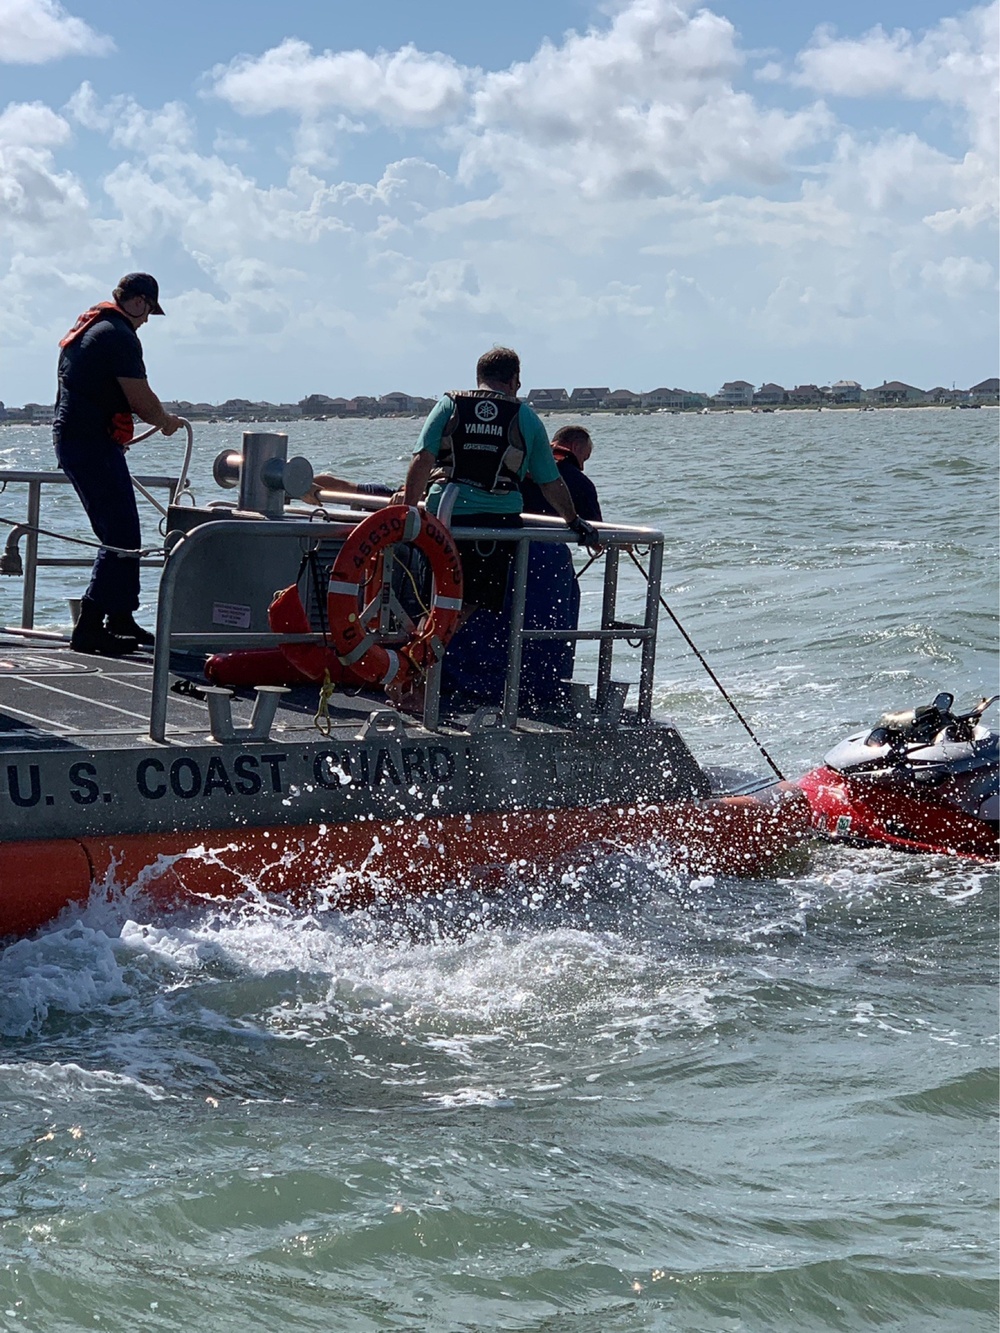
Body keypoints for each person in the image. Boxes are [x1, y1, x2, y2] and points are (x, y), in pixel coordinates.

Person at [401, 347, 598, 623]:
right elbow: (549, 481)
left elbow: (422, 459)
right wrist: (574, 520)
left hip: (442, 519)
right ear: (514, 380)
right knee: (468, 602)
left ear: (478, 376)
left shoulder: (448, 405)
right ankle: (428, 652)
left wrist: (407, 511)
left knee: (434, 596)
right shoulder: (525, 417)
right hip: (493, 523)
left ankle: (421, 649)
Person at [53, 273, 183, 656]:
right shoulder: (119, 335)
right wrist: (165, 421)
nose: (146, 321)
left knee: (123, 530)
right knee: (121, 535)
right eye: (148, 312)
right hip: (90, 445)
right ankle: (91, 624)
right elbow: (140, 399)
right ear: (139, 302)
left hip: (82, 442)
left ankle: (121, 618)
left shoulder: (94, 328)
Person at [444, 424, 604, 708]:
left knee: (482, 620)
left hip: (493, 553)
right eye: (586, 458)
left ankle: (460, 680)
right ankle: (538, 689)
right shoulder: (577, 482)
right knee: (541, 633)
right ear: (577, 450)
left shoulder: (513, 469)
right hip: (544, 567)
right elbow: (598, 533)